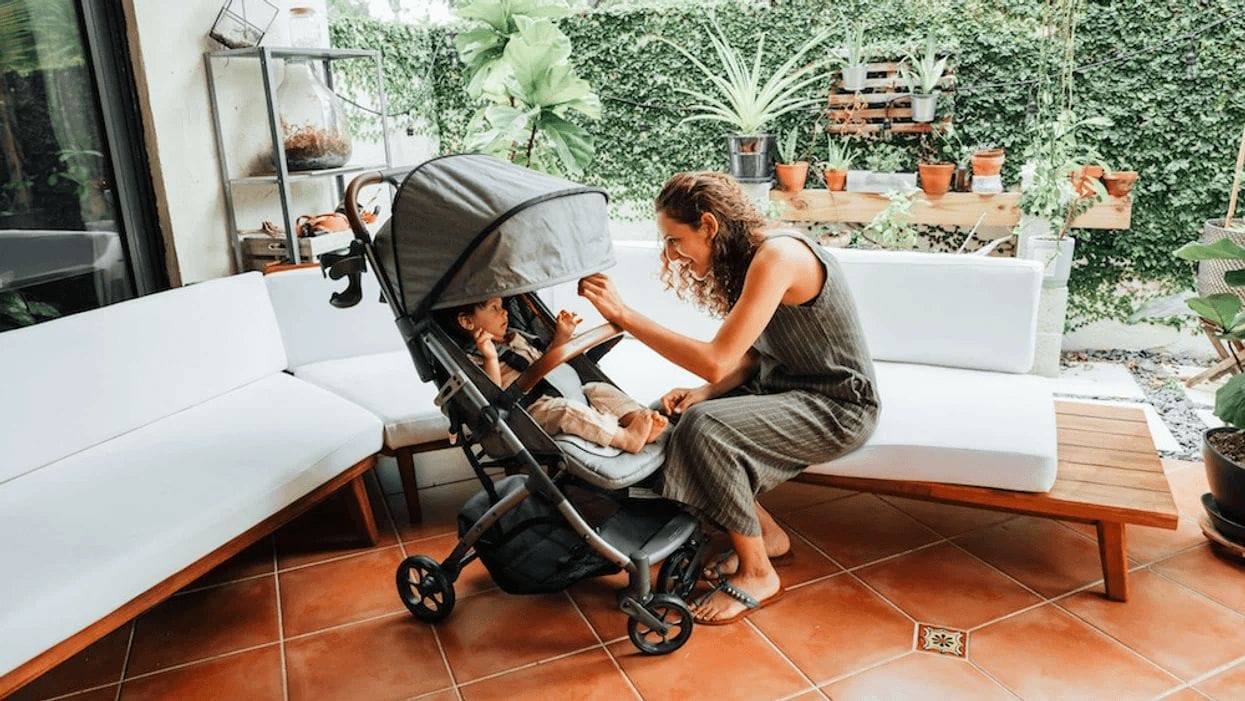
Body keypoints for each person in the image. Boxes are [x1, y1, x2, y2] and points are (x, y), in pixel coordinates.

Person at [578, 172, 879, 625]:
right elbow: (751, 356)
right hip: (786, 387)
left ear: (709, 225)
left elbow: (717, 359)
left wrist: (624, 316)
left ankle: (759, 572)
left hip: (837, 405)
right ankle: (767, 537)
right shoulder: (749, 256)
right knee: (669, 415)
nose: (671, 254)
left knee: (706, 428)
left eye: (676, 240)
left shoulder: (778, 255)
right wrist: (705, 392)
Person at [438, 297, 668, 453]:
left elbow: (549, 360)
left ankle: (635, 418)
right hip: (530, 411)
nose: (505, 311)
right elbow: (489, 396)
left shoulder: (518, 336)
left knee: (597, 389)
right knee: (567, 411)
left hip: (565, 389)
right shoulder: (474, 358)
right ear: (467, 321)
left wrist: (562, 336)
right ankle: (626, 438)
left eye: (503, 305)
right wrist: (490, 358)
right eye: (493, 308)